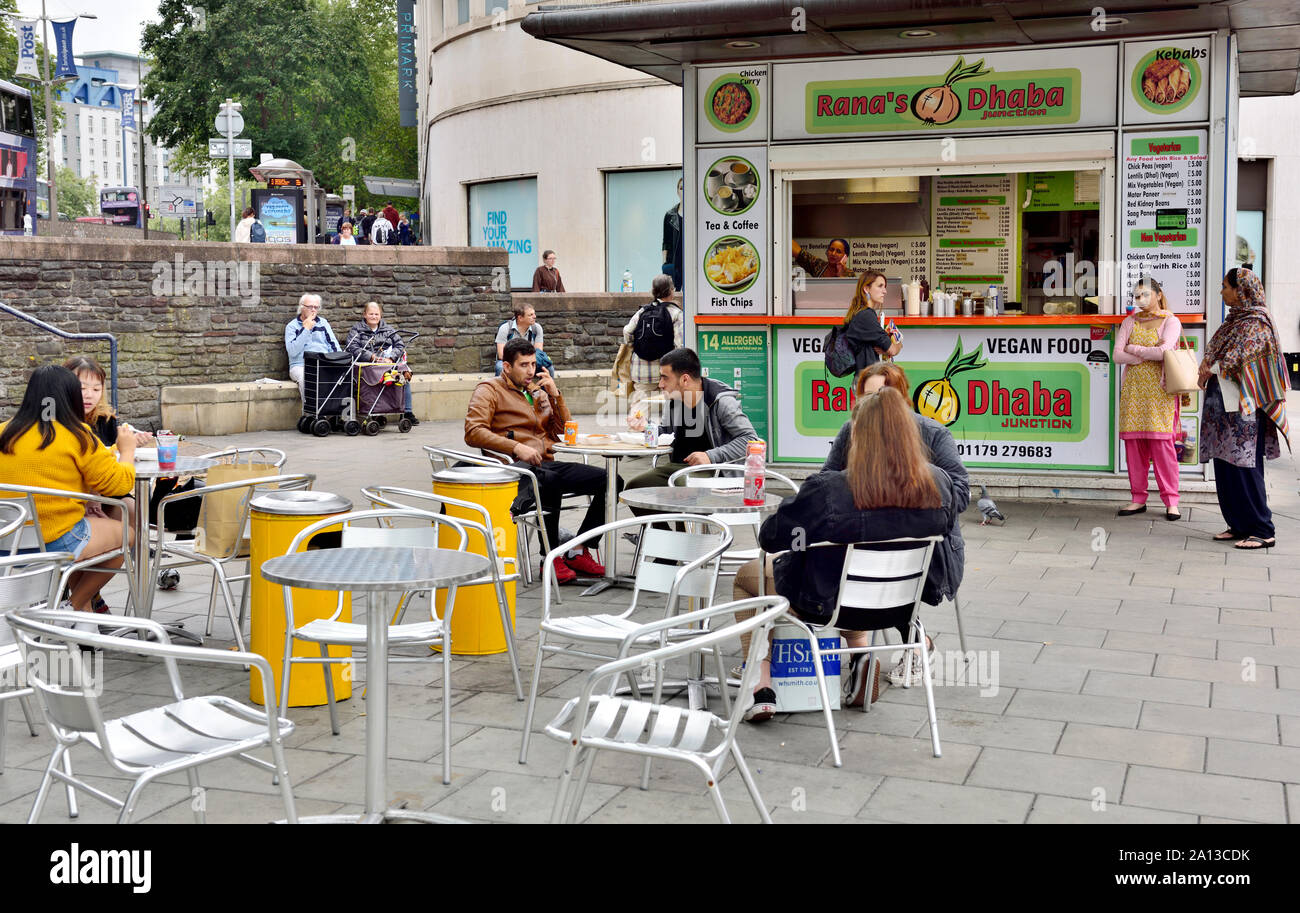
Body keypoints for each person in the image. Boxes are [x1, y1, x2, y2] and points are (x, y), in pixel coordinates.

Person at [733, 387, 960, 722]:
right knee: (844, 578)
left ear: (858, 435)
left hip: (826, 606)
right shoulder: (938, 484)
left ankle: (760, 684)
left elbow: (772, 536)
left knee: (745, 578)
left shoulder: (830, 490)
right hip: (900, 607)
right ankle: (858, 656)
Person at [823, 362, 968, 624]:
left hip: (927, 553)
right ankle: (867, 652)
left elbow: (960, 493)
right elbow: (825, 482)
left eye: (883, 396)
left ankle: (905, 640)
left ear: (901, 399)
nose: (875, 405)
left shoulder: (934, 433)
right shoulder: (851, 430)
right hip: (865, 542)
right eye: (868, 396)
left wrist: (912, 481)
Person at [464, 337, 612, 584]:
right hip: (514, 470)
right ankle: (549, 558)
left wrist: (556, 396)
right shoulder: (488, 390)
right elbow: (473, 431)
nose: (531, 370)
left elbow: (562, 434)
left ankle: (578, 550)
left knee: (609, 479)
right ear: (507, 367)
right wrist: (516, 447)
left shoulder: (536, 391)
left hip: (545, 462)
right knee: (550, 480)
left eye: (533, 364)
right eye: (524, 365)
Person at [0, 365, 136, 617]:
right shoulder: (77, 435)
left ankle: (82, 615)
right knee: (126, 535)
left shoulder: (4, 432)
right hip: (55, 540)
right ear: (71, 397)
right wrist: (127, 450)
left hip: (7, 541)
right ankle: (69, 610)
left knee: (92, 529)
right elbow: (119, 484)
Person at [1198, 267, 1291, 550]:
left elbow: (1241, 359)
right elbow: (1219, 350)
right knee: (1225, 467)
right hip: (1223, 407)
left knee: (1244, 466)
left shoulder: (1257, 322)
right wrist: (1209, 364)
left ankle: (1263, 529)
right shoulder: (1235, 320)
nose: (1222, 291)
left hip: (1244, 411)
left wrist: (1210, 366)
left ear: (1241, 290)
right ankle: (1238, 524)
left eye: (1225, 286)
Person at [624, 347, 755, 509]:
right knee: (634, 487)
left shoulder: (720, 401)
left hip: (715, 470)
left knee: (681, 486)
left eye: (665, 378)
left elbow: (751, 440)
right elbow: (668, 433)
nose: (660, 384)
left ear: (684, 380)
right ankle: (663, 533)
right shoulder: (674, 400)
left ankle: (687, 533)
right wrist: (647, 427)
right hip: (678, 467)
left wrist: (711, 456)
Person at [1114, 276, 1182, 520]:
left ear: (1159, 295)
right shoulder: (1129, 322)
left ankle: (1171, 500)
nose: (1140, 299)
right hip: (1133, 391)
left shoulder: (1170, 321)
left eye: (1145, 294)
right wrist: (1143, 356)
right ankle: (1137, 498)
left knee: (1163, 446)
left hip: (1160, 393)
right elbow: (1116, 355)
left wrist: (1134, 350)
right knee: (1134, 446)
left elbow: (1164, 352)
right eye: (1137, 296)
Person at [345, 301, 419, 425]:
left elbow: (400, 345)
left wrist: (391, 357)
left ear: (381, 315)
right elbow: (351, 347)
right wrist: (371, 356)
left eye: (376, 314)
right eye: (371, 314)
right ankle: (375, 411)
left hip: (387, 362)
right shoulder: (357, 329)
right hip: (368, 364)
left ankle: (407, 411)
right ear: (364, 314)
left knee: (402, 374)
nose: (374, 317)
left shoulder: (389, 330)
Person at [622, 274, 684, 405]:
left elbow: (627, 331)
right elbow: (680, 345)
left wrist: (635, 345)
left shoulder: (644, 311)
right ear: (670, 291)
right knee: (671, 408)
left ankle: (636, 425)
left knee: (640, 408)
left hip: (641, 370)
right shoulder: (675, 313)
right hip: (666, 371)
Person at [840, 270, 901, 373]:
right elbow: (893, 350)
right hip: (868, 381)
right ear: (866, 289)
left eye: (884, 287)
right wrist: (899, 345)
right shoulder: (866, 316)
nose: (885, 291)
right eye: (880, 286)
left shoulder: (861, 313)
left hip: (864, 379)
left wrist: (885, 348)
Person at [285, 293, 342, 399]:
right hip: (300, 365)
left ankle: (329, 412)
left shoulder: (323, 323)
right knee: (307, 377)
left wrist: (338, 362)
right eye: (310, 307)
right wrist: (306, 329)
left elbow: (334, 345)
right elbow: (292, 351)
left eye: (316, 307)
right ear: (301, 307)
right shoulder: (292, 326)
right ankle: (311, 412)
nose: (313, 310)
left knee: (341, 376)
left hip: (323, 363)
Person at [495, 303, 544, 376]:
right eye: (530, 315)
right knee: (500, 367)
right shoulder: (505, 328)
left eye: (534, 314)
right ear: (520, 318)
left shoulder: (536, 328)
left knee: (547, 368)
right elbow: (501, 355)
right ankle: (501, 387)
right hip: (510, 361)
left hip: (529, 361)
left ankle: (547, 387)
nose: (534, 317)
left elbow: (538, 352)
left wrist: (525, 362)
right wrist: (519, 362)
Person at [661, 178, 684, 291]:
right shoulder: (670, 215)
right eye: (681, 188)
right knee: (674, 294)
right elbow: (666, 242)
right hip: (674, 262)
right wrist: (664, 264)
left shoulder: (697, 213)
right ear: (677, 192)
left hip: (692, 261)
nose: (684, 191)